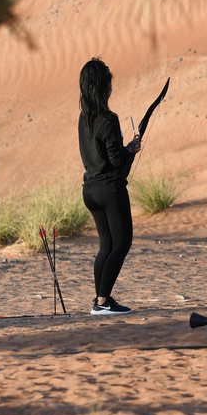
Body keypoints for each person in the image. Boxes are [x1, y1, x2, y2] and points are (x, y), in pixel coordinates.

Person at [78, 58, 141, 315]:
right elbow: (116, 161)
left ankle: (101, 300)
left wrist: (125, 151)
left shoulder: (84, 118)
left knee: (106, 246)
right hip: (109, 191)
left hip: (90, 190)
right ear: (104, 87)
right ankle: (102, 302)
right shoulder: (108, 119)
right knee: (122, 243)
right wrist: (131, 150)